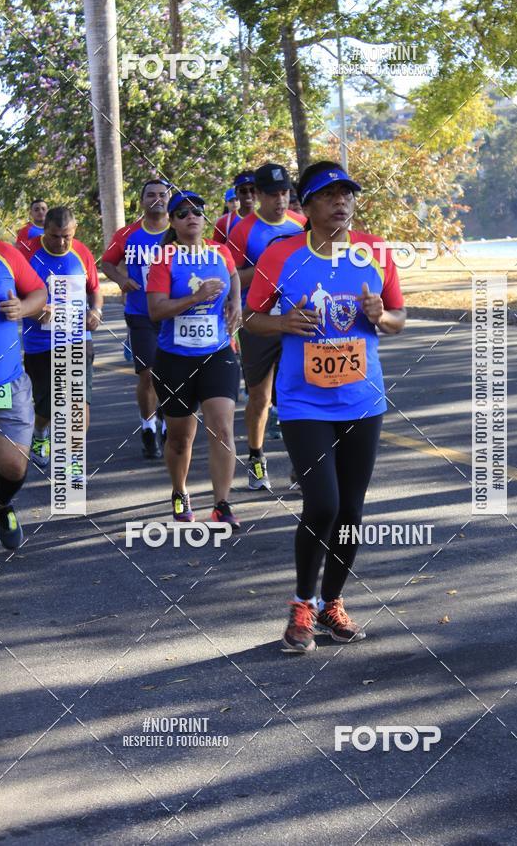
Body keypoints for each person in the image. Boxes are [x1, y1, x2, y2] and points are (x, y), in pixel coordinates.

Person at [243, 160, 406, 653]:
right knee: (324, 503)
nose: (342, 202)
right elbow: (251, 317)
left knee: (352, 511)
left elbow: (399, 316)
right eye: (329, 194)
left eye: (347, 194)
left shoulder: (374, 251)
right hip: (303, 401)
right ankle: (301, 605)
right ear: (306, 205)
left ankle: (332, 603)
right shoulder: (280, 254)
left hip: (362, 400)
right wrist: (283, 322)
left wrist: (384, 316)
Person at [146, 190, 242, 529]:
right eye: (183, 212)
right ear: (172, 221)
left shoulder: (220, 251)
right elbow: (156, 310)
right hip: (175, 360)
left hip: (217, 354)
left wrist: (237, 303)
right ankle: (179, 490)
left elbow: (232, 276)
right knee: (180, 438)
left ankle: (222, 503)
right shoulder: (165, 259)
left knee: (223, 428)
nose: (192, 217)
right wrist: (196, 297)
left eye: (198, 211)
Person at [228, 162, 305, 490]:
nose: (281, 200)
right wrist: (267, 265)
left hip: (298, 320)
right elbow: (229, 276)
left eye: (285, 192)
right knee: (260, 397)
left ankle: (301, 465)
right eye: (273, 194)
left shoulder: (302, 224)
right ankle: (257, 457)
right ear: (257, 195)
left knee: (297, 395)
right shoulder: (243, 230)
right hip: (258, 320)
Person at [0, 211, 47, 573]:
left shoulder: (5, 253)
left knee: (13, 465)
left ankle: (2, 503)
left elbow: (39, 291)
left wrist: (23, 307)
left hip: (4, 383)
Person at [22, 206, 102, 467]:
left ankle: (72, 460)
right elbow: (13, 297)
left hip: (77, 338)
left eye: (66, 235)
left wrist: (96, 311)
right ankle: (39, 431)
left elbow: (95, 289)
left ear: (74, 230)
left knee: (78, 399)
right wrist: (38, 310)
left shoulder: (81, 252)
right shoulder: (27, 253)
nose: (61, 242)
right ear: (44, 230)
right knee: (49, 403)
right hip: (40, 343)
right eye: (55, 236)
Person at [101, 179, 171, 458]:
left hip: (172, 313)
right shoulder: (128, 234)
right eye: (150, 195)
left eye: (162, 195)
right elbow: (106, 262)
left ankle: (167, 423)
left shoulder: (177, 232)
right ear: (142, 201)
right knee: (148, 373)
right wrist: (121, 280)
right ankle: (148, 426)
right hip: (140, 313)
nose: (157, 199)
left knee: (171, 374)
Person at [211, 170, 256, 245]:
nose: (248, 194)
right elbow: (217, 252)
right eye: (243, 191)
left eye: (253, 190)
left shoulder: (267, 219)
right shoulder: (224, 222)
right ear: (236, 193)